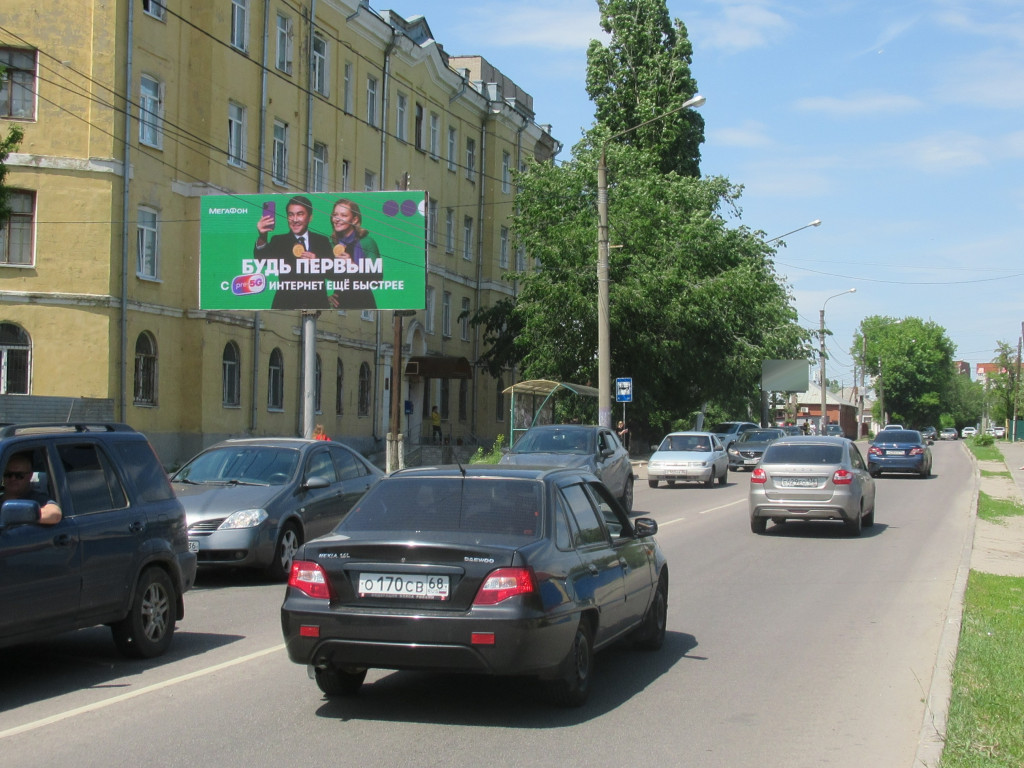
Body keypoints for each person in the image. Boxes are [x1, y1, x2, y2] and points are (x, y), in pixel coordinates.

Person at [254, 195, 334, 310]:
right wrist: (262, 235)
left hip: (316, 306)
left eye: (300, 214)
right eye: (291, 215)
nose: (295, 220)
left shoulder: (322, 241)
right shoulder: (279, 241)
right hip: (286, 306)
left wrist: (318, 263)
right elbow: (262, 260)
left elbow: (334, 273)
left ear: (310, 217)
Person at [327, 198, 380, 310]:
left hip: (363, 304)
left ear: (355, 219)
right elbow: (312, 278)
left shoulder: (366, 242)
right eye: (335, 214)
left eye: (343, 215)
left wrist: (352, 266)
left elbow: (377, 279)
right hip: (339, 306)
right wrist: (324, 297)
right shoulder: (330, 243)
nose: (337, 219)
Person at [1, 452, 62, 525]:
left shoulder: (37, 499)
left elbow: (55, 514)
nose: (13, 478)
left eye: (19, 475)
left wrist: (21, 515)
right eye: (8, 474)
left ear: (30, 475)